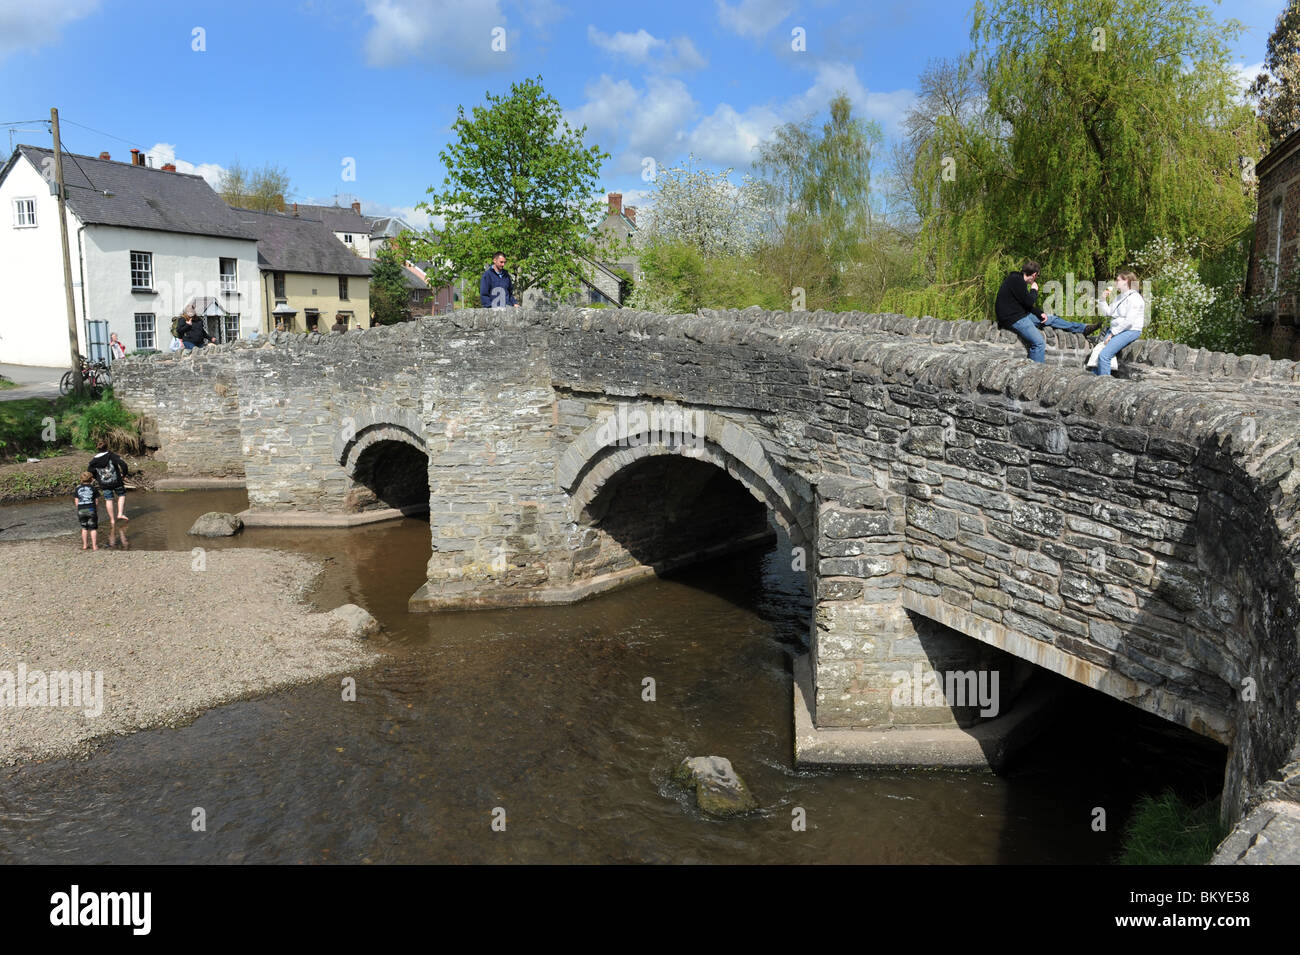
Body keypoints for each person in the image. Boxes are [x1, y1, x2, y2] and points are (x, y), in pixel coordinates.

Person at [995, 261, 1102, 363]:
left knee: (1051, 318)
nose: (1037, 279)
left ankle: (1083, 329)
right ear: (1034, 274)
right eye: (1037, 276)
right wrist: (1034, 290)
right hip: (1013, 319)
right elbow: (1029, 301)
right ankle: (1034, 373)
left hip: (1020, 314)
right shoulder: (1017, 281)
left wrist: (1040, 313)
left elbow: (1024, 304)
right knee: (1039, 343)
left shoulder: (1016, 279)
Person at [1090, 270, 1145, 376]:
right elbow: (1108, 312)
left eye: (1117, 280)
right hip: (1117, 330)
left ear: (1126, 281)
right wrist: (1102, 299)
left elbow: (1129, 321)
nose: (1115, 283)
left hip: (1130, 330)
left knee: (1104, 356)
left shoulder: (1135, 298)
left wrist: (1112, 333)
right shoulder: (1120, 297)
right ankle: (1095, 381)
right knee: (1096, 355)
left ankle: (1104, 384)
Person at [88, 441, 130, 524]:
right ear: (107, 447)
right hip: (117, 481)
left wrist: (97, 478)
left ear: (98, 449)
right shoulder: (111, 455)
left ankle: (112, 520)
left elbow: (90, 471)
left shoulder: (94, 460)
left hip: (104, 483)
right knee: (121, 495)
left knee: (108, 500)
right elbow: (123, 464)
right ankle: (120, 514)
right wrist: (124, 474)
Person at [74, 471, 100, 550]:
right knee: (93, 528)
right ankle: (94, 546)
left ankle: (85, 545)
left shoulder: (77, 488)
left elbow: (76, 502)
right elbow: (96, 501)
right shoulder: (93, 488)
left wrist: (79, 508)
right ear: (91, 479)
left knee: (84, 528)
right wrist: (95, 509)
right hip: (91, 509)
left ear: (81, 479)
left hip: (81, 510)